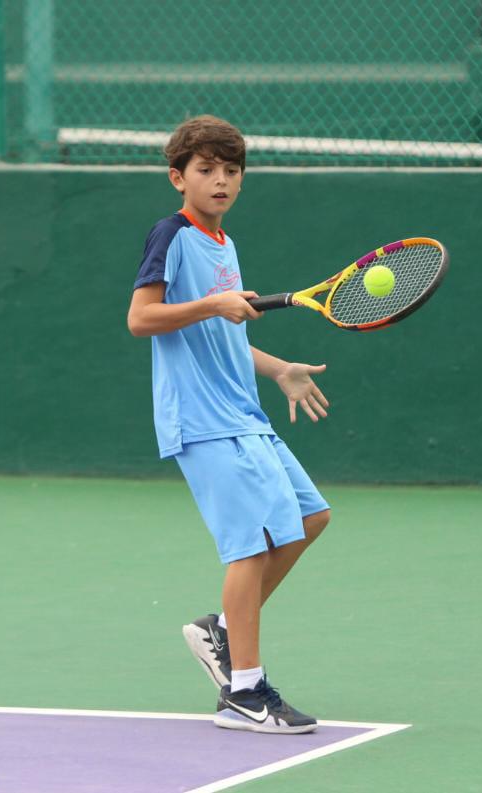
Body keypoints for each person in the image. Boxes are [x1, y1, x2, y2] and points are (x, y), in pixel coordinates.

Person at [127, 115, 332, 735]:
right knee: (249, 546)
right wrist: (212, 303)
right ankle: (245, 691)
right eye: (205, 170)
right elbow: (142, 319)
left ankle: (220, 630)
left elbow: (222, 338)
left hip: (243, 412)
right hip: (202, 419)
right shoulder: (172, 235)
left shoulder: (226, 246)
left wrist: (278, 370)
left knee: (309, 517)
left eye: (230, 171)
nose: (220, 181)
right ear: (178, 178)